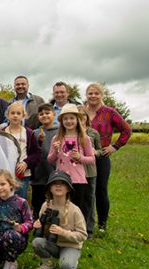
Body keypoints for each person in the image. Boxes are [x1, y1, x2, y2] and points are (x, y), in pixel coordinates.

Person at [85, 83, 131, 233]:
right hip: (83, 157)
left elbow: (126, 130)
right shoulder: (82, 111)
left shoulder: (109, 112)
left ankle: (102, 224)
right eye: (90, 93)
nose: (93, 96)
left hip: (101, 156)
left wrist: (115, 146)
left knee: (101, 189)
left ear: (101, 95)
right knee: (84, 189)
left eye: (96, 93)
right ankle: (84, 222)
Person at [32, 171, 87, 269]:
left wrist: (63, 232)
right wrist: (38, 225)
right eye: (54, 183)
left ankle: (71, 263)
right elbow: (42, 228)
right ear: (49, 188)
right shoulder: (45, 206)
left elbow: (83, 235)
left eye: (62, 183)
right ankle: (48, 264)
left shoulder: (75, 210)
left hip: (70, 245)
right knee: (37, 242)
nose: (58, 185)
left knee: (66, 267)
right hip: (53, 244)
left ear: (68, 188)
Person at [47, 104, 95, 226]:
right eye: (65, 119)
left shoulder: (84, 139)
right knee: (60, 206)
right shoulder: (57, 138)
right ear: (62, 121)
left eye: (72, 118)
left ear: (77, 120)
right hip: (61, 178)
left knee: (77, 207)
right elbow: (50, 160)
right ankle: (59, 230)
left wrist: (80, 158)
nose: (69, 121)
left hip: (78, 179)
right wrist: (56, 151)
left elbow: (92, 159)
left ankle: (76, 231)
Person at [3, 102, 41, 199]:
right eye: (12, 113)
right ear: (8, 115)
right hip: (5, 173)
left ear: (23, 115)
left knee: (21, 200)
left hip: (23, 174)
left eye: (18, 113)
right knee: (6, 199)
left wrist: (26, 163)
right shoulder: (2, 133)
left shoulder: (28, 133)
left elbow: (36, 153)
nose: (15, 116)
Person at [77, 105, 101, 238]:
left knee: (89, 200)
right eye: (78, 116)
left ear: (87, 117)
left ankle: (89, 230)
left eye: (84, 116)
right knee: (77, 201)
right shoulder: (72, 133)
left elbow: (100, 150)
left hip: (90, 171)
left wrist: (93, 152)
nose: (81, 119)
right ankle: (77, 228)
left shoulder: (93, 133)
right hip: (75, 171)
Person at [30, 103, 58, 219]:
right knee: (38, 200)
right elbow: (31, 151)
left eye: (47, 113)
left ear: (54, 114)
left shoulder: (59, 131)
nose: (44, 116)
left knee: (54, 199)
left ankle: (53, 222)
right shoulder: (35, 133)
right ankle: (38, 221)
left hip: (54, 172)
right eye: (41, 114)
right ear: (38, 117)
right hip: (38, 174)